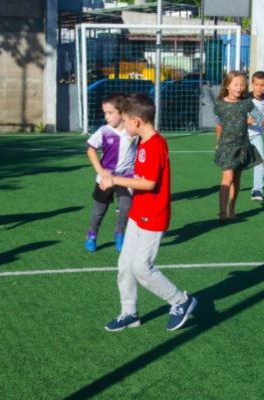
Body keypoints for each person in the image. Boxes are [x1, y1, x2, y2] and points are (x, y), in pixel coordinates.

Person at [100, 93, 197, 332]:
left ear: (136, 121)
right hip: (138, 213)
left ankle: (181, 301)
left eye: (124, 121)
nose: (122, 125)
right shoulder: (142, 142)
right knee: (125, 265)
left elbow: (150, 183)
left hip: (154, 215)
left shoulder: (154, 145)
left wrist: (114, 180)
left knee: (142, 267)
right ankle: (129, 312)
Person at [214, 71, 264, 224]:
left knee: (236, 179)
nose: (239, 87)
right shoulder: (220, 104)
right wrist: (218, 143)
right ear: (228, 85)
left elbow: (261, 119)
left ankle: (231, 210)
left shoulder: (246, 103)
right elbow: (219, 125)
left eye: (242, 84)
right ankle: (222, 212)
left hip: (242, 147)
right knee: (227, 178)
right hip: (227, 148)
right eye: (236, 84)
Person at [85, 93, 136, 253]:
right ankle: (92, 235)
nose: (106, 117)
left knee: (126, 207)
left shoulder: (132, 131)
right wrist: (101, 171)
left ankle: (119, 233)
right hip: (105, 178)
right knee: (99, 210)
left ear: (122, 112)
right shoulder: (104, 131)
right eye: (105, 113)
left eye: (110, 113)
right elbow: (91, 150)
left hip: (125, 178)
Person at [247, 71, 264, 202]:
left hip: (257, 135)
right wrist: (256, 120)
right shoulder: (246, 98)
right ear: (252, 84)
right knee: (236, 165)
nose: (260, 88)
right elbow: (242, 119)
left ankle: (257, 190)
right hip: (242, 134)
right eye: (257, 85)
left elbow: (262, 115)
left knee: (260, 161)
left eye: (263, 85)